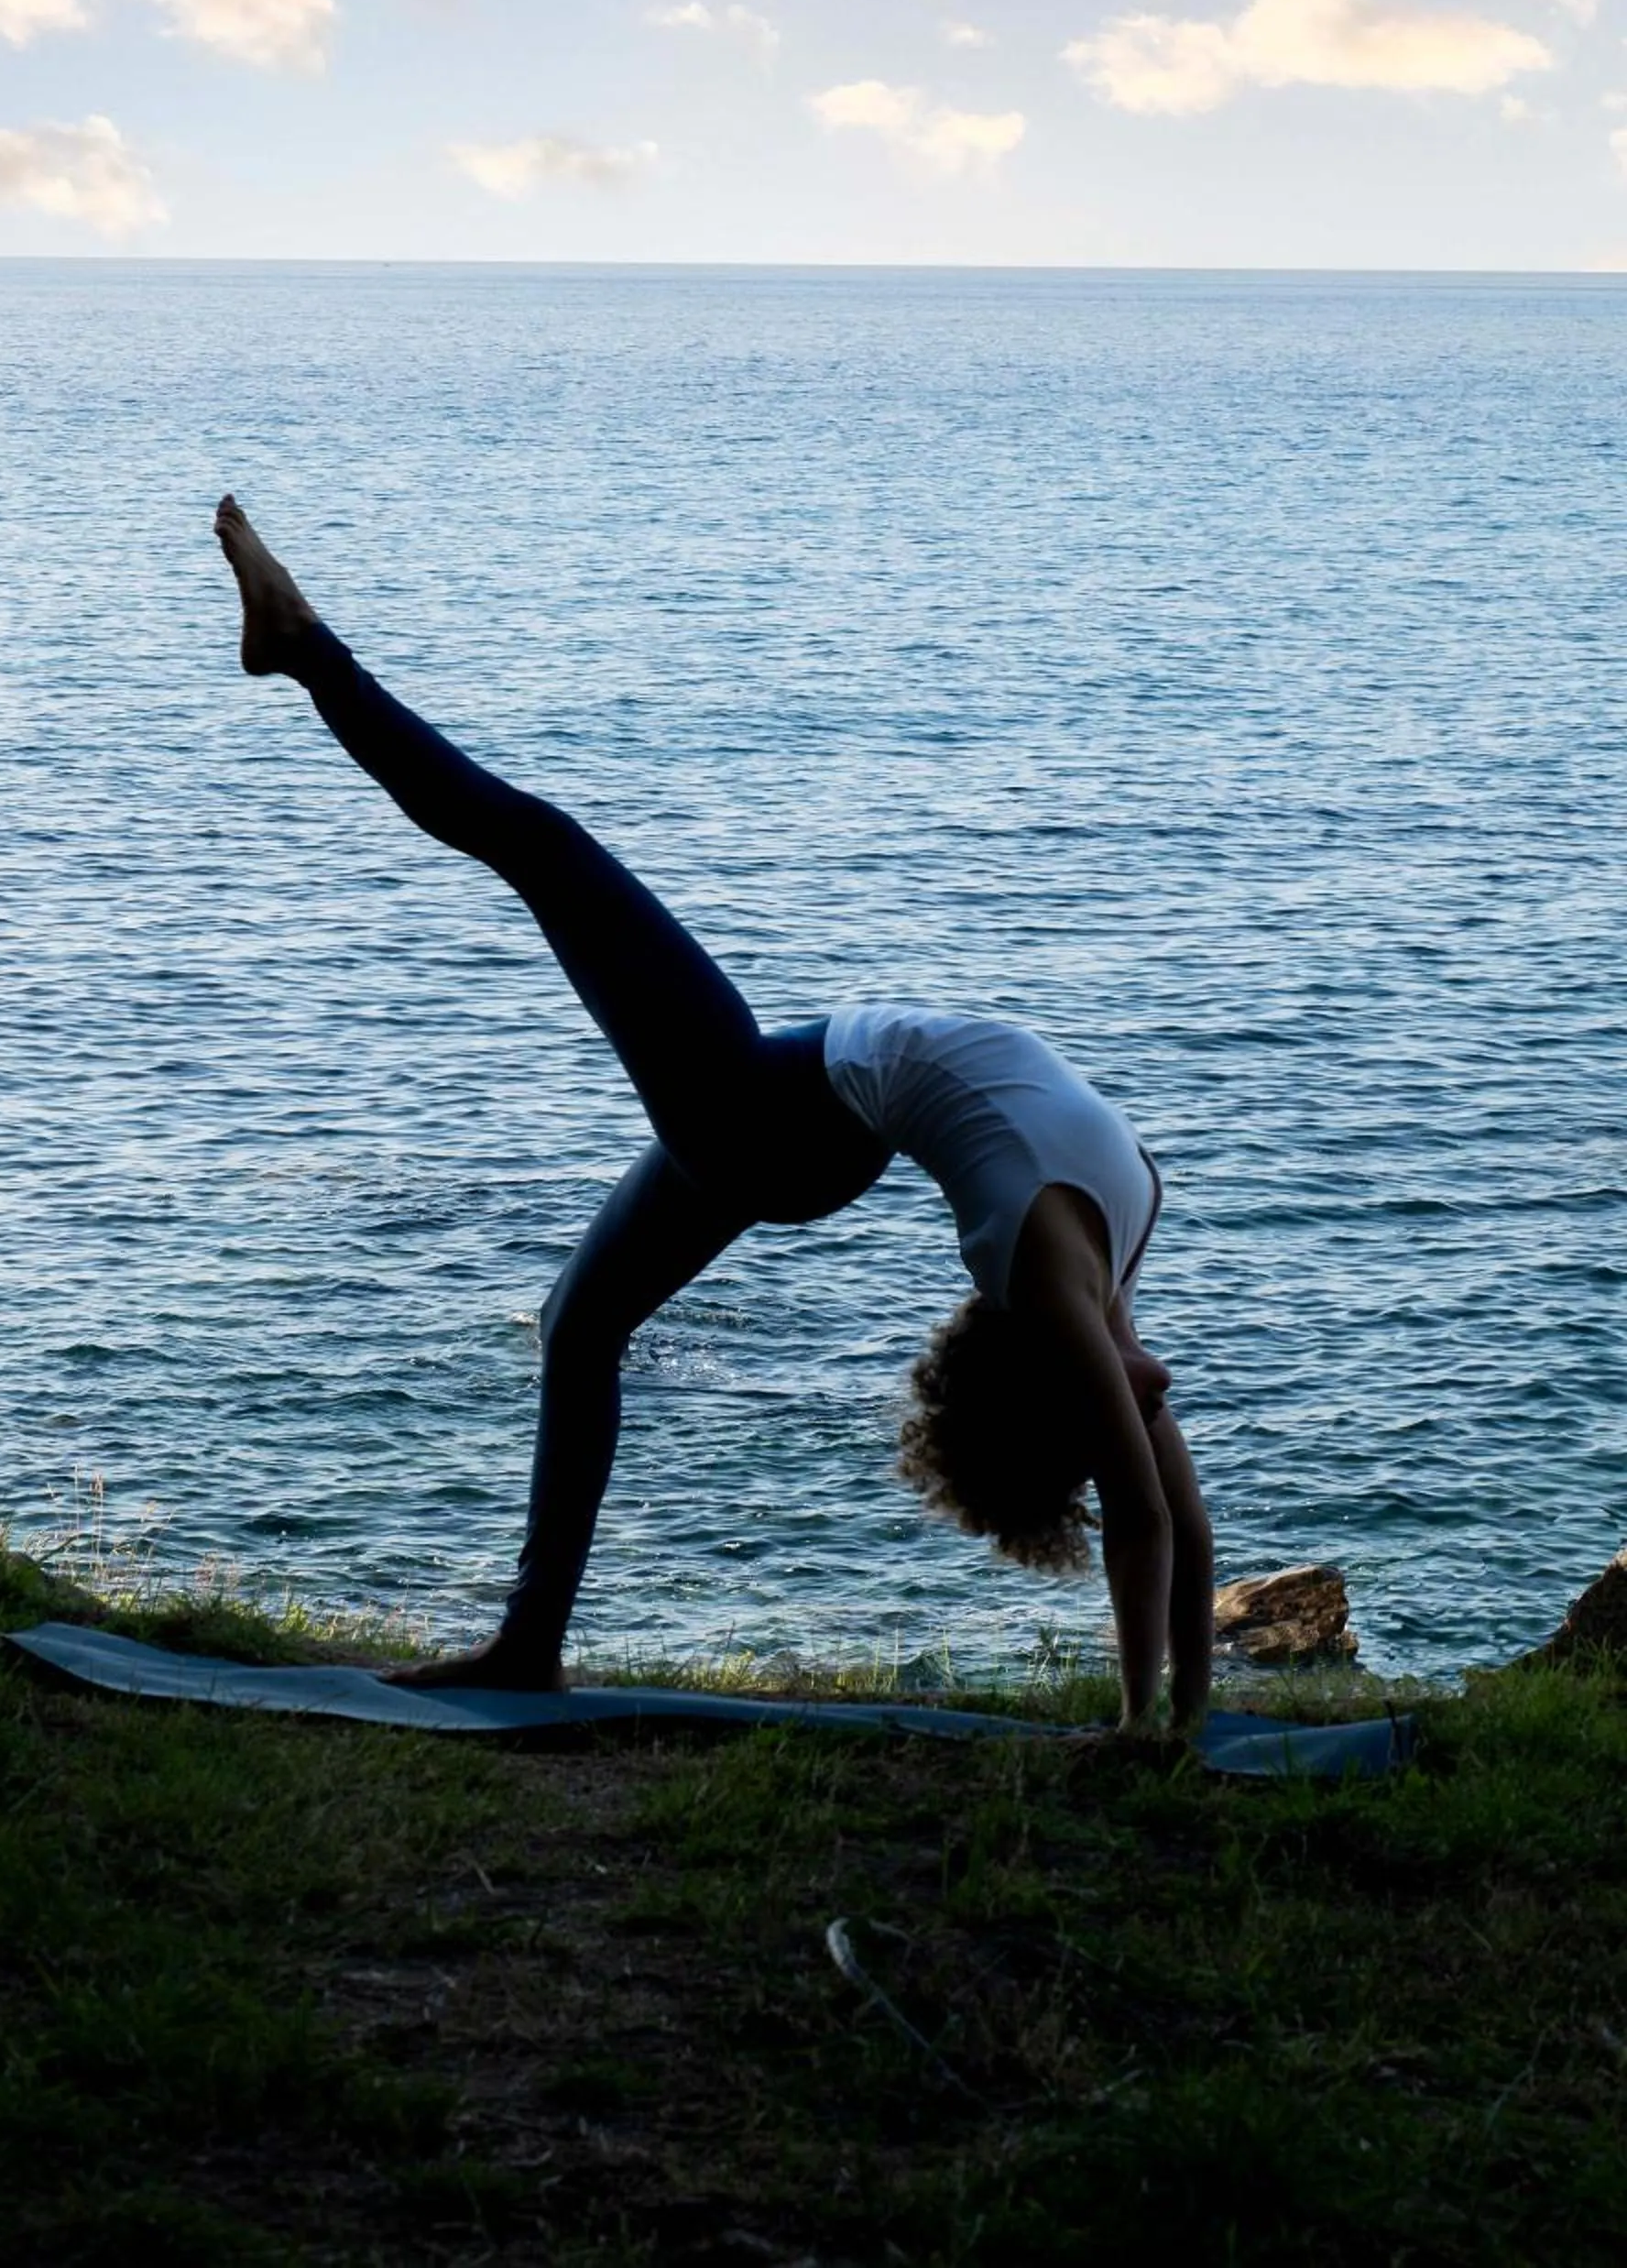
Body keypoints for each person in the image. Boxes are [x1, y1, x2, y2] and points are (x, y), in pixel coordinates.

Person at [213, 496, 1213, 1730]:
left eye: (1122, 1403)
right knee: (581, 1326)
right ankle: (529, 1645)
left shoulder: (1062, 1289)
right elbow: (1182, 1521)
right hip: (791, 1132)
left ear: (1054, 1376)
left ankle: (303, 646)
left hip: (760, 1114)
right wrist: (1187, 1729)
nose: (1155, 1393)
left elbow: (1147, 1515)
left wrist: (1134, 1730)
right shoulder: (1108, 1265)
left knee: (540, 845)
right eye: (1139, 1396)